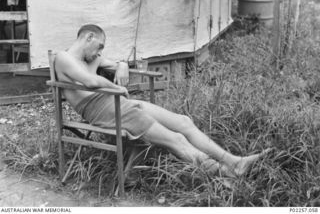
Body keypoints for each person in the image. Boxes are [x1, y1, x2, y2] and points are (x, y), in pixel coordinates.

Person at [55, 24, 271, 178]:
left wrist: (121, 64)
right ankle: (226, 173)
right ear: (88, 37)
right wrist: (118, 88)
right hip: (101, 109)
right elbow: (90, 81)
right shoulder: (63, 58)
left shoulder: (92, 58)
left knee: (183, 122)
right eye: (100, 45)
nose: (100, 51)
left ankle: (234, 161)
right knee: (175, 139)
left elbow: (114, 64)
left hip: (115, 104)